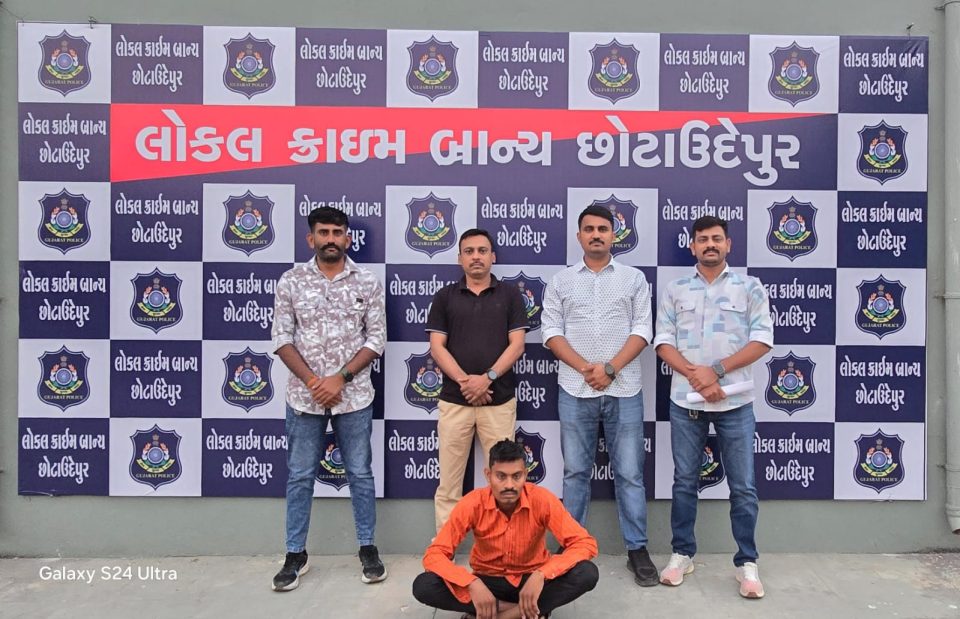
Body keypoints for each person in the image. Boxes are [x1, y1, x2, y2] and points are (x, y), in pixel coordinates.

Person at [653, 215, 774, 599]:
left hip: (735, 402)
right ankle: (681, 554)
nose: (710, 244)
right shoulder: (675, 289)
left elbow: (762, 340)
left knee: (743, 487)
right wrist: (698, 377)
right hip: (686, 401)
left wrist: (716, 372)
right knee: (684, 482)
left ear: (728, 245)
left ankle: (747, 562)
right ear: (692, 246)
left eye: (716, 239)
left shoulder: (750, 287)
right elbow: (662, 342)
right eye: (702, 239)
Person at [540, 204, 658, 586]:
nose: (596, 234)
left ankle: (637, 550)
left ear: (613, 235)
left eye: (602, 229)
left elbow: (643, 329)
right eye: (589, 229)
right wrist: (586, 369)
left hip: (625, 389)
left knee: (630, 474)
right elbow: (551, 333)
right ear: (579, 236)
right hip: (575, 389)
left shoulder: (634, 279)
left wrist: (610, 368)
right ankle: (570, 550)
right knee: (575, 473)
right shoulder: (560, 281)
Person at [270, 206, 387, 591]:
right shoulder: (291, 281)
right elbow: (281, 339)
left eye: (338, 233)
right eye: (324, 232)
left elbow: (376, 339)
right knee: (300, 475)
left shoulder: (367, 281)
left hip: (354, 396)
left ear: (348, 239)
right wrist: (313, 381)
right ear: (311, 239)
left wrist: (340, 378)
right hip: (304, 398)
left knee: (360, 474)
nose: (331, 239)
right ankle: (295, 554)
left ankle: (367, 548)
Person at [413, 439, 600, 619]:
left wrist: (542, 574)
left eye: (516, 476)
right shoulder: (473, 503)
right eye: (501, 476)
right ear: (488, 475)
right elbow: (435, 554)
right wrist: (471, 583)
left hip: (532, 581)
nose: (509, 485)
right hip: (487, 582)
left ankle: (498, 614)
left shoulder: (542, 499)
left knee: (587, 573)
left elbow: (584, 543)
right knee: (424, 585)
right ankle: (528, 612)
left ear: (525, 475)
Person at [426, 229, 528, 531]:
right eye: (469, 251)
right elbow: (437, 347)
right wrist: (466, 383)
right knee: (449, 484)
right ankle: (445, 548)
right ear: (459, 258)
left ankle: (501, 544)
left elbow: (517, 345)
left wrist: (488, 378)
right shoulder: (444, 296)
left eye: (482, 251)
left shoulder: (510, 295)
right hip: (455, 402)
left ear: (493, 257)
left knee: (504, 481)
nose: (476, 257)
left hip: (499, 401)